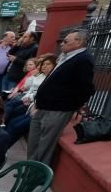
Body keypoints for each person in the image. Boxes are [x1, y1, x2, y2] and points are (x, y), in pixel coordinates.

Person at [27, 30, 96, 165]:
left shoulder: (83, 59)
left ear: (79, 42)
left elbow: (86, 87)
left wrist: (74, 105)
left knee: (45, 143)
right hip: (42, 105)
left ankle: (37, 174)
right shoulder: (65, 56)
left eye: (66, 41)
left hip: (58, 109)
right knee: (34, 140)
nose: (61, 44)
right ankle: (29, 167)